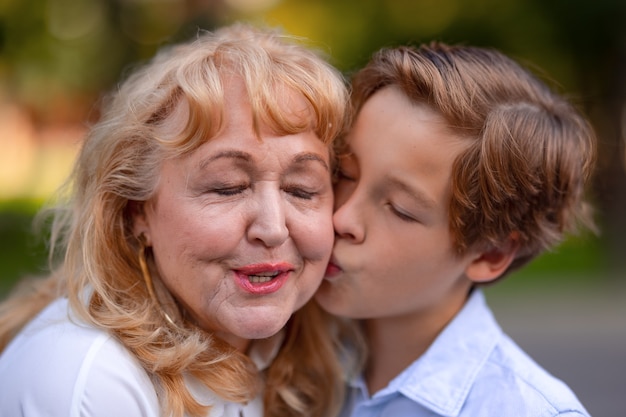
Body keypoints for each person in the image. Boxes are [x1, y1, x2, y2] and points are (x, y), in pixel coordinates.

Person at [0, 22, 354, 417]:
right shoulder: (90, 384)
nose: (272, 228)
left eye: (302, 190)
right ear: (136, 213)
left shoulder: (325, 352)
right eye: (227, 187)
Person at [315, 42, 596, 416]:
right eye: (344, 174)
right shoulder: (288, 348)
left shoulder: (521, 408)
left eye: (400, 210)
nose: (342, 218)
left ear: (490, 252)